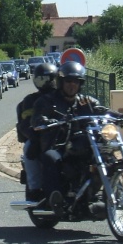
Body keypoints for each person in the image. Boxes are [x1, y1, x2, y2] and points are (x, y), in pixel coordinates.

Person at [31, 61, 113, 215]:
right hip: (58, 144)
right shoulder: (48, 101)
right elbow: (37, 118)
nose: (72, 85)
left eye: (76, 82)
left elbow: (101, 110)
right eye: (68, 81)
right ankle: (55, 198)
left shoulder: (85, 101)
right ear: (61, 82)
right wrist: (46, 121)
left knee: (106, 155)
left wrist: (118, 115)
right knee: (51, 158)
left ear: (80, 84)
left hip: (84, 142)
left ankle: (106, 190)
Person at [15, 62, 58, 202]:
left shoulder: (62, 97)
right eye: (42, 80)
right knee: (28, 150)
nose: (46, 84)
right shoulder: (30, 100)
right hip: (39, 138)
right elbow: (26, 124)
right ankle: (34, 189)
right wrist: (34, 139)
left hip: (60, 136)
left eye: (49, 79)